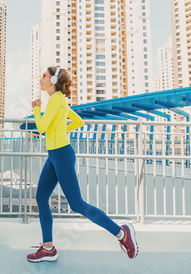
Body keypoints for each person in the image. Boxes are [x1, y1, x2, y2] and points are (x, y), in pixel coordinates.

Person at [27, 66, 139, 263]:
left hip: (61, 154)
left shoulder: (55, 99)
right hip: (56, 154)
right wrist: (61, 130)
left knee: (77, 204)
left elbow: (42, 128)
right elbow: (79, 122)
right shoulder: (60, 101)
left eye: (43, 76)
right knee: (41, 197)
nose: (40, 79)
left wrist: (36, 108)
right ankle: (48, 248)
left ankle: (122, 234)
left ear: (53, 80)